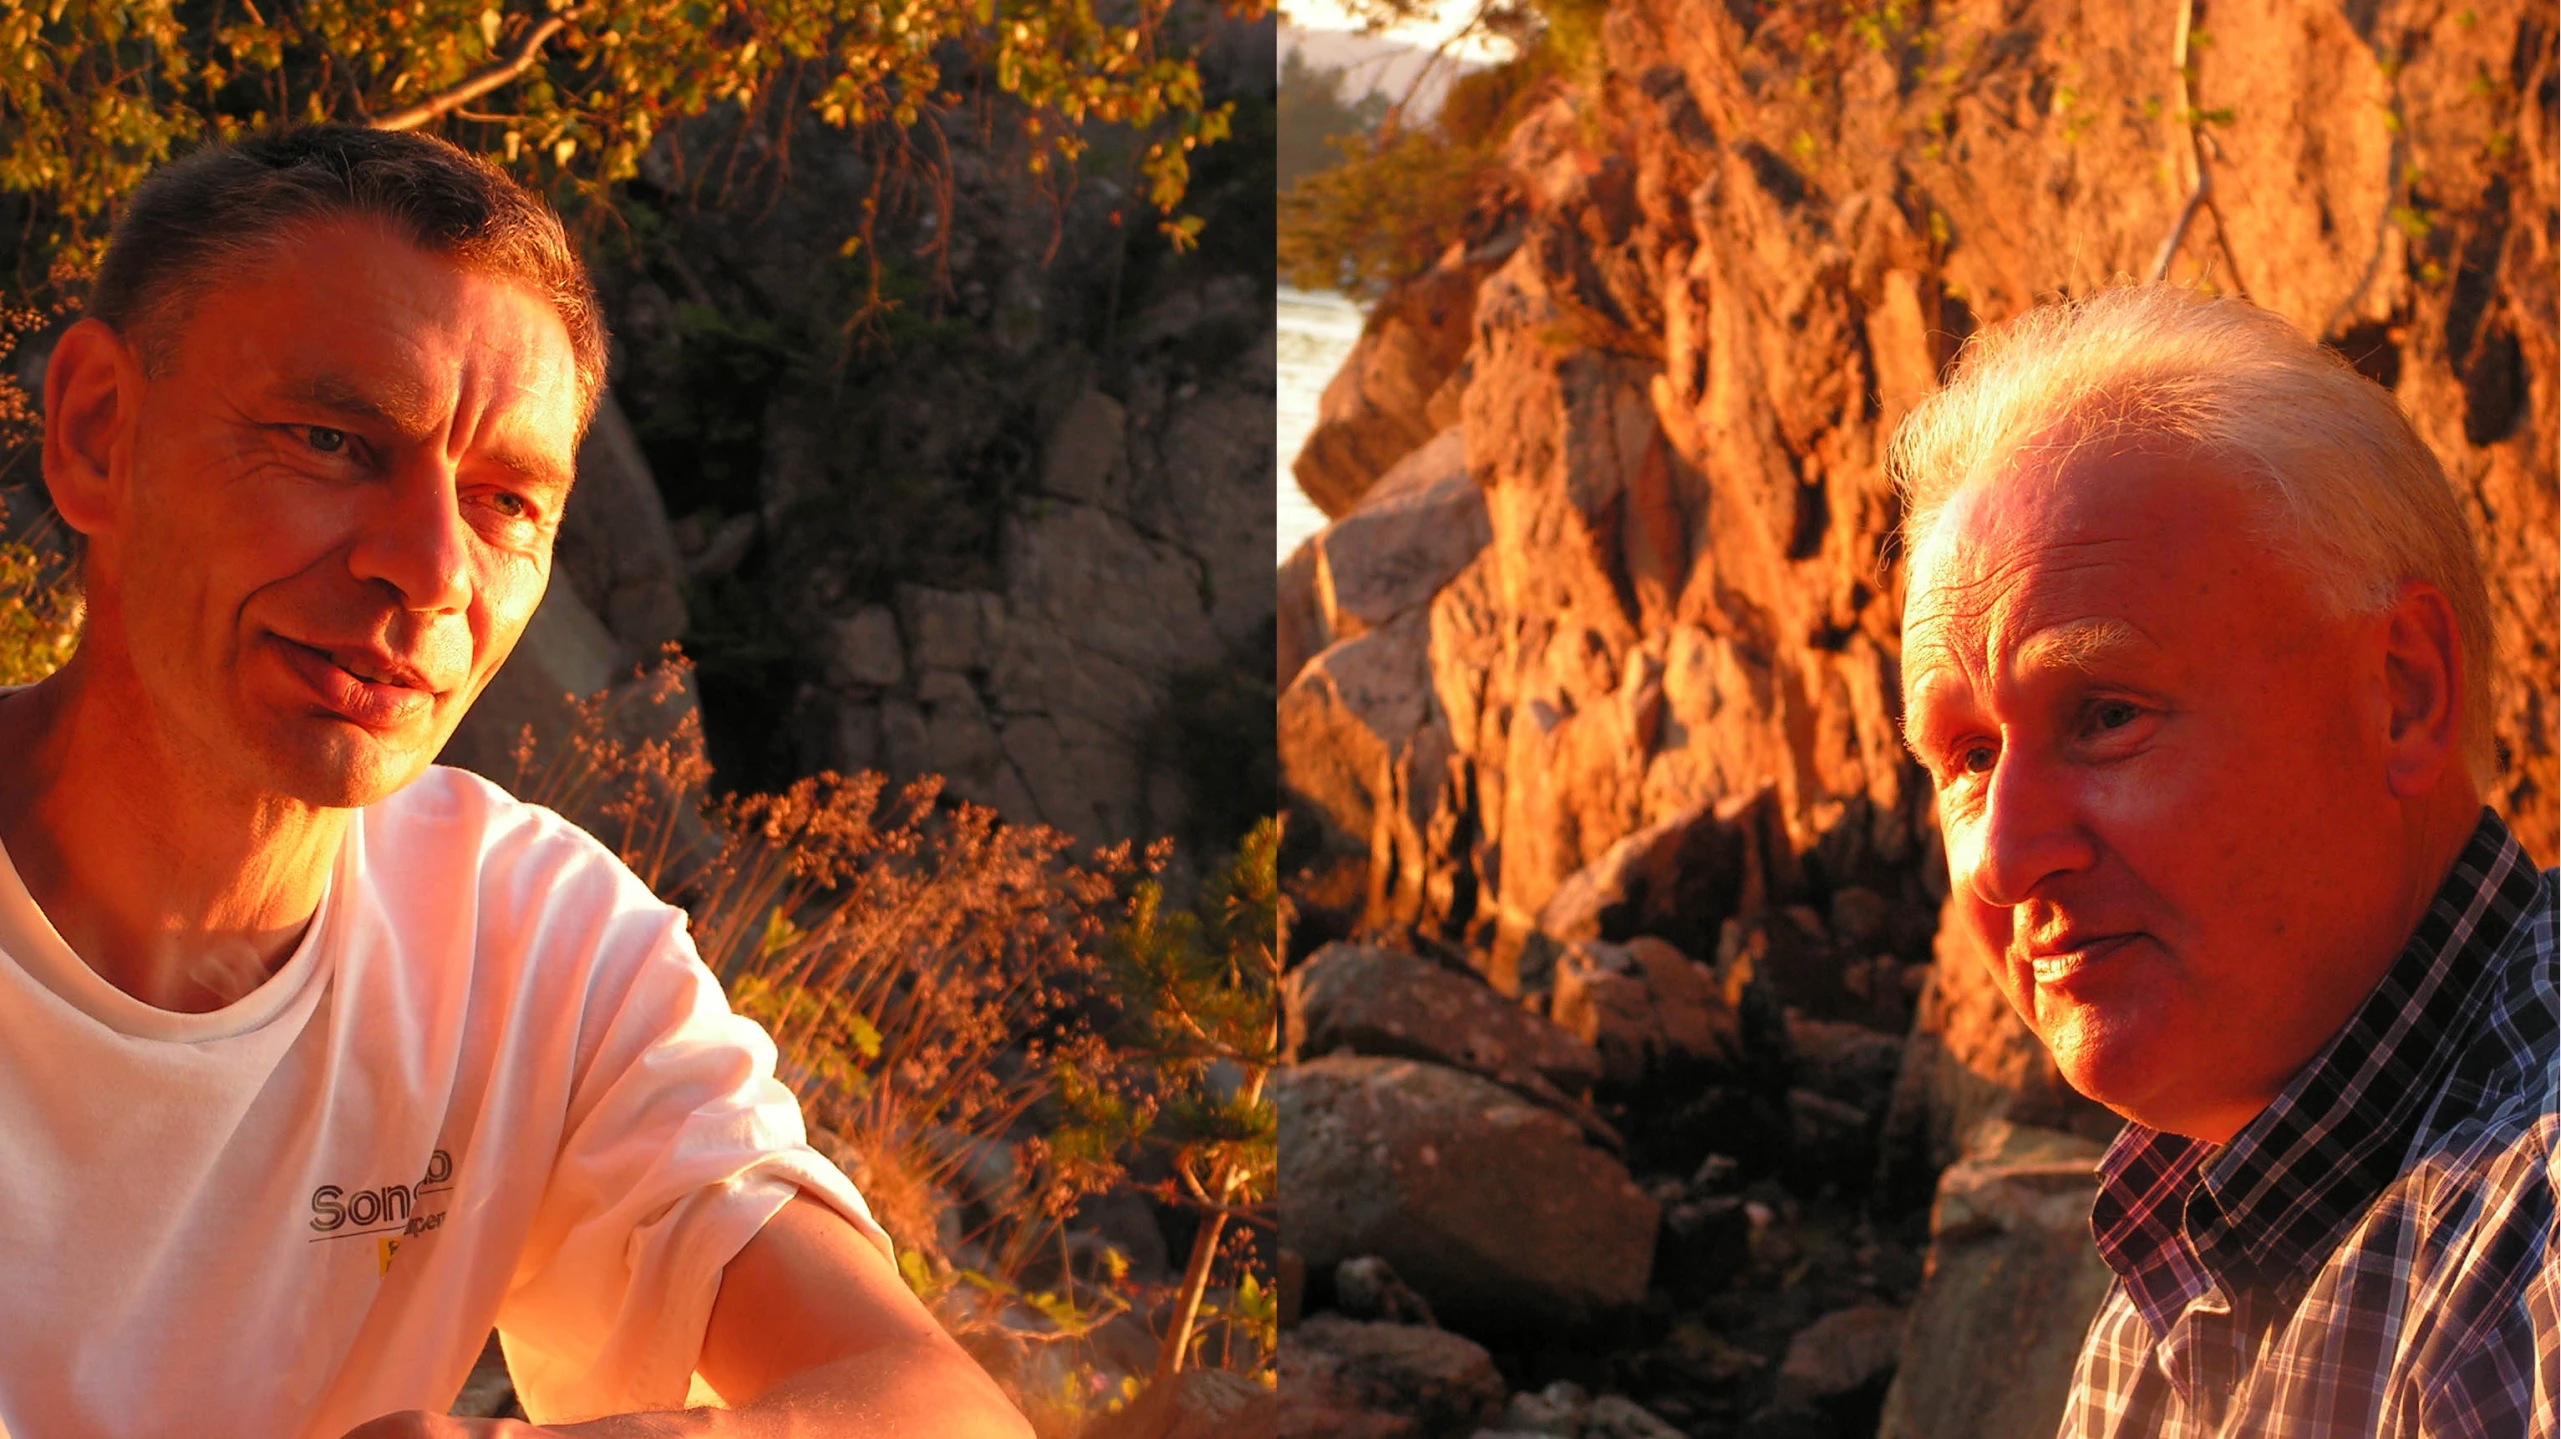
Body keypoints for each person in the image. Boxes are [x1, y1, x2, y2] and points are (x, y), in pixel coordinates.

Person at [0, 125, 1031, 1438]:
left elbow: (943, 1406)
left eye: (506, 501)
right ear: (98, 433)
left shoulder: (531, 941)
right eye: (331, 439)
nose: (430, 569)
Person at [1890, 284, 2556, 1438]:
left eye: (2104, 714)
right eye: (1964, 756)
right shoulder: (2178, 1263)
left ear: (2400, 691)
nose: (2000, 855)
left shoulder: (2526, 1252)